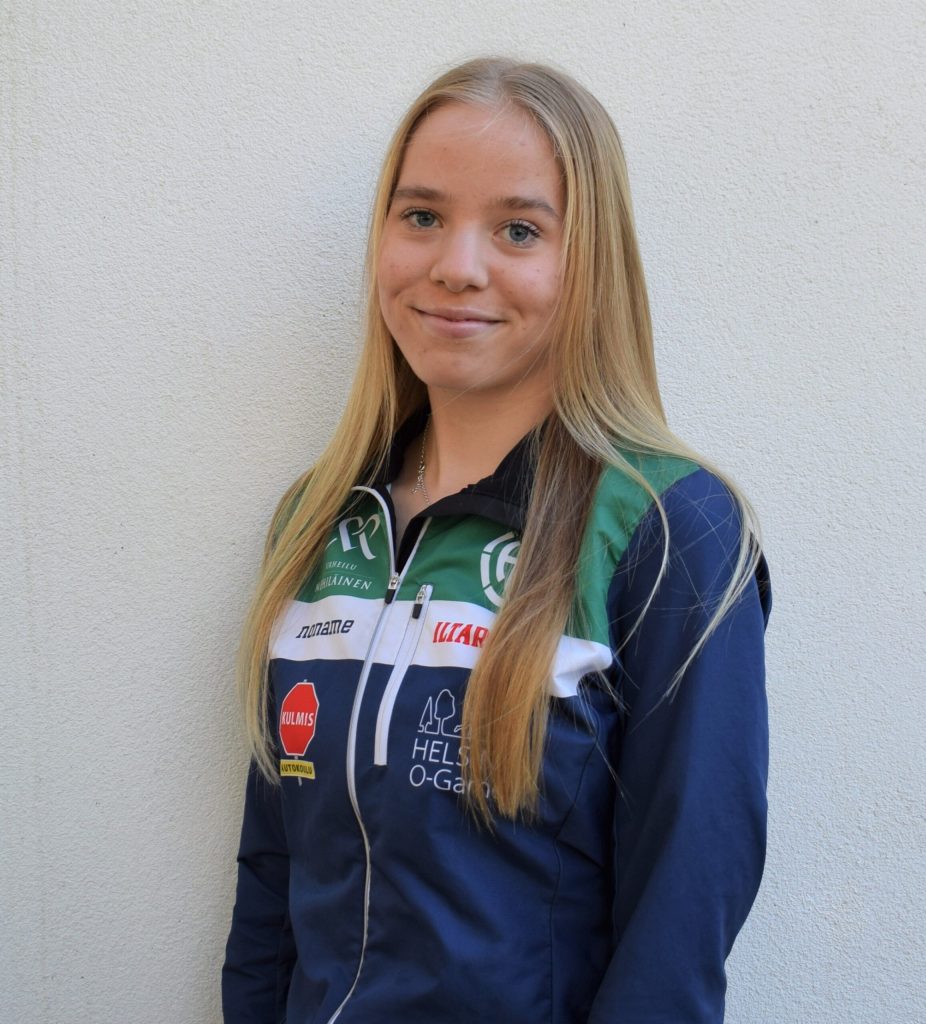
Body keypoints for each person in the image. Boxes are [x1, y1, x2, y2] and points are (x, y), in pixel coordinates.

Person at [222, 57, 771, 1024]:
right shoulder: (317, 518)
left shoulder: (670, 529)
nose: (456, 266)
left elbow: (678, 936)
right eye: (421, 216)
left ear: (589, 264)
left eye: (518, 229)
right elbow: (273, 879)